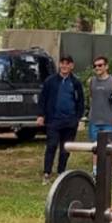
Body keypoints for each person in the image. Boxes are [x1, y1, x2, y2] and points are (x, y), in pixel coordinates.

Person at [37, 55, 84, 184]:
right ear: (59, 65)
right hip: (53, 120)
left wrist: (78, 118)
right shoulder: (50, 81)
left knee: (65, 149)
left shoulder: (75, 82)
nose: (64, 66)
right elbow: (43, 99)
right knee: (51, 146)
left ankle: (61, 173)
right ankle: (47, 173)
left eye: (67, 64)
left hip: (70, 122)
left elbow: (80, 101)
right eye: (62, 63)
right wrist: (41, 115)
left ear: (71, 66)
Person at [86, 56, 112, 177]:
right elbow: (91, 98)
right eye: (95, 66)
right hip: (94, 120)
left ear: (106, 66)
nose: (97, 68)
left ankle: (111, 171)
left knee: (110, 146)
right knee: (95, 147)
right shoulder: (91, 81)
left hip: (109, 120)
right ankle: (96, 170)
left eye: (100, 65)